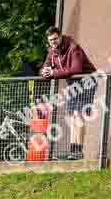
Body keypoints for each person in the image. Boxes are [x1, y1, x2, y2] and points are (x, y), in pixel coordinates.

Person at [41, 26, 97, 160]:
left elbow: (76, 69)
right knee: (72, 116)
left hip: (86, 81)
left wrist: (54, 73)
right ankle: (73, 150)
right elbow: (45, 67)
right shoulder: (52, 51)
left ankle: (79, 150)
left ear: (60, 37)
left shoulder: (73, 47)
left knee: (79, 115)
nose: (53, 42)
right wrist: (44, 72)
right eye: (50, 40)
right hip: (73, 83)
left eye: (55, 39)